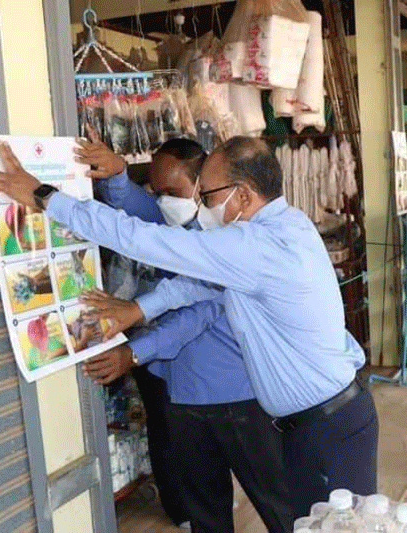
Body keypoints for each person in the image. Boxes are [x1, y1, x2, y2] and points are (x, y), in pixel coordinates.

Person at [0, 136, 378, 519]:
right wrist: (140, 309)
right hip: (315, 423)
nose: (202, 207)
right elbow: (201, 284)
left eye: (207, 196)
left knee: (338, 526)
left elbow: (141, 239)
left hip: (328, 427)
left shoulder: (253, 244)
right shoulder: (286, 225)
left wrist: (45, 197)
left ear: (243, 195)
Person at [76, 135, 293, 532]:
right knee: (205, 512)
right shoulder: (177, 223)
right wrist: (118, 175)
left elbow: (199, 313)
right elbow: (139, 215)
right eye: (156, 191)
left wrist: (135, 349)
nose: (163, 202)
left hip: (235, 395)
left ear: (200, 186)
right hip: (182, 395)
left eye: (172, 192)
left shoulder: (228, 237)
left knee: (279, 506)